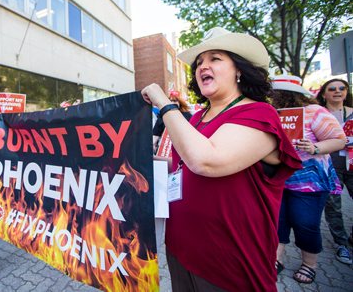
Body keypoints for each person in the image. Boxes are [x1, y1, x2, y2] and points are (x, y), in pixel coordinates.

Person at [141, 27, 301, 291]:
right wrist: (138, 162)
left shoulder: (260, 113)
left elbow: (205, 161)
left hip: (229, 260)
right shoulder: (195, 118)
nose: (203, 66)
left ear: (239, 70)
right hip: (182, 248)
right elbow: (181, 166)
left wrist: (164, 103)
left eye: (215, 58)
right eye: (199, 62)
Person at [271, 75, 346, 284]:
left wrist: (314, 148)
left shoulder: (315, 113)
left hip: (309, 183)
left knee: (305, 223)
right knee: (278, 222)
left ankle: (309, 264)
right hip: (279, 179)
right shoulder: (272, 114)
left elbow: (339, 139)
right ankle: (277, 259)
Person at [317, 78, 353, 264]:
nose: (337, 91)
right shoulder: (318, 114)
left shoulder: (352, 113)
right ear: (324, 94)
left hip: (352, 164)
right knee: (333, 206)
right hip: (330, 165)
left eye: (342, 88)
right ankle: (341, 244)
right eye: (332, 89)